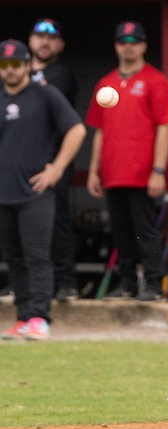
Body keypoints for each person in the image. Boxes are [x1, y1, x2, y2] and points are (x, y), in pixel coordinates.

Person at [0, 39, 85, 341]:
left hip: (35, 193)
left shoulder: (45, 94)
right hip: (4, 194)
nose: (10, 70)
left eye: (15, 64)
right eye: (4, 65)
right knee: (15, 259)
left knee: (37, 256)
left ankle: (39, 318)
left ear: (27, 65)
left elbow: (76, 129)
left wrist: (57, 168)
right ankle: (23, 317)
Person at [86, 21, 168, 302]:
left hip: (142, 173)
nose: (129, 46)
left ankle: (152, 283)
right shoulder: (105, 83)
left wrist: (158, 170)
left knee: (145, 231)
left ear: (144, 45)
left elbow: (164, 127)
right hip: (112, 172)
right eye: (123, 40)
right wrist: (93, 171)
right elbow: (98, 131)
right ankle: (127, 284)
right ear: (116, 45)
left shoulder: (156, 81)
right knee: (121, 233)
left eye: (134, 41)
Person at [28, 17, 80, 302]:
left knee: (56, 223)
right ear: (30, 41)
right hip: (22, 161)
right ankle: (21, 283)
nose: (44, 42)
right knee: (20, 227)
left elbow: (36, 95)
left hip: (54, 161)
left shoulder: (61, 74)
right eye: (39, 36)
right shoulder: (17, 74)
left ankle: (66, 283)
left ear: (59, 44)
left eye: (51, 38)